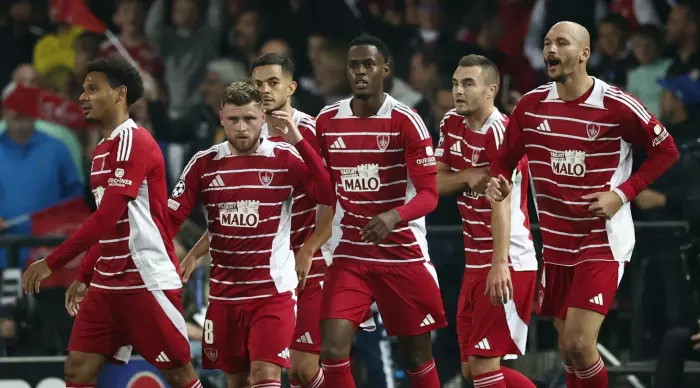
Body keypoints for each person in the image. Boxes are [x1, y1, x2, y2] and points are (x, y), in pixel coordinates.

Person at [485, 21, 679, 388]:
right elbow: (503, 159)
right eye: (546, 43)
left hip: (601, 239)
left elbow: (666, 151)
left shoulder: (616, 105)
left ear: (585, 53)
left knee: (578, 342)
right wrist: (498, 180)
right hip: (556, 245)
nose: (551, 50)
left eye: (562, 43)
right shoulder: (530, 106)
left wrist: (621, 193)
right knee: (569, 350)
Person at [20, 56, 202, 388]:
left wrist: (53, 262)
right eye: (83, 90)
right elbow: (112, 226)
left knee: (179, 375)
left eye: (92, 89)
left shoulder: (135, 141)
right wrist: (87, 273)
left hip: (145, 278)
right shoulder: (103, 149)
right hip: (107, 283)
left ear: (119, 94)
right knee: (77, 369)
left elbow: (108, 216)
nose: (82, 97)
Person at [182, 53, 334, 388]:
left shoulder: (307, 131)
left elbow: (330, 198)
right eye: (257, 83)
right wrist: (195, 252)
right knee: (246, 376)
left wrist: (310, 248)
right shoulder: (240, 134)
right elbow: (232, 215)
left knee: (301, 370)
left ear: (291, 87)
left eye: (272, 82)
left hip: (302, 265)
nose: (264, 89)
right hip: (243, 272)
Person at [316, 35, 446, 388]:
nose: (360, 72)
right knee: (332, 351)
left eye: (368, 65)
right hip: (350, 254)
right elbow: (320, 188)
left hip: (401, 255)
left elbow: (429, 195)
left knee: (417, 357)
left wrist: (394, 216)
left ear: (385, 70)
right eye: (354, 65)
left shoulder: (406, 120)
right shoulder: (327, 121)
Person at [435, 54, 538, 388]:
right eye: (455, 83)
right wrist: (466, 176)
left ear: (491, 90)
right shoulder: (450, 122)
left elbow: (501, 201)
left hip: (508, 260)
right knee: (471, 368)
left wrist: (499, 264)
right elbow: (433, 182)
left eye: (468, 84)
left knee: (483, 364)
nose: (458, 91)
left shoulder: (502, 133)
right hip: (475, 261)